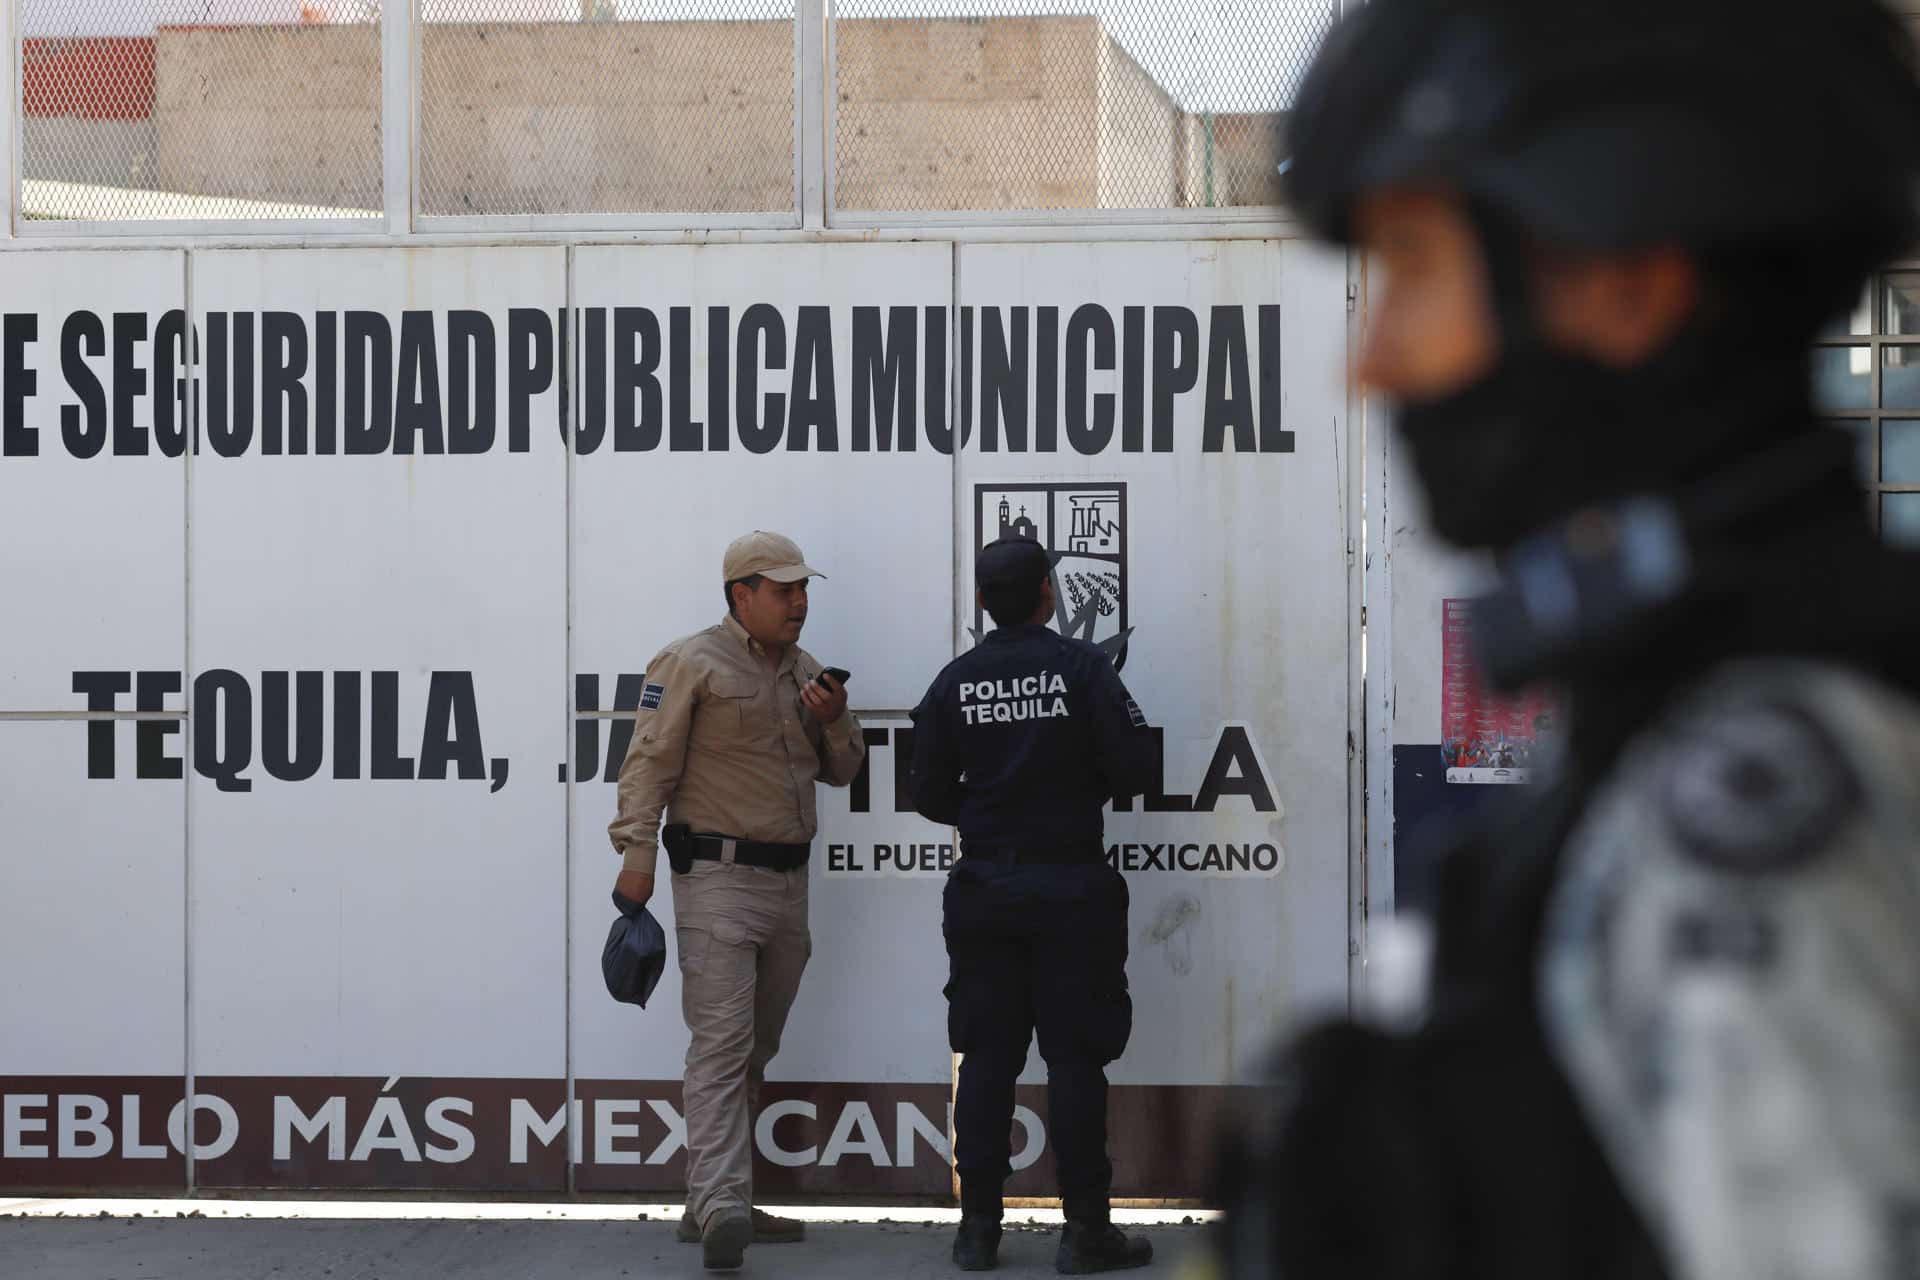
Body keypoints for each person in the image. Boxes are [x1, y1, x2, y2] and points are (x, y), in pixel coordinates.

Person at [1211, 1, 1920, 1278]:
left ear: (1625, 278)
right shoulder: (1699, 699)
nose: (1372, 360)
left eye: (1416, 267)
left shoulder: (1748, 803)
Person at [607, 530, 864, 1273]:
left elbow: (845, 770)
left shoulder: (807, 672)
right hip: (716, 879)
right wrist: (636, 856)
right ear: (739, 595)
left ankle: (717, 1199)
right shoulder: (690, 660)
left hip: (790, 884)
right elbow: (648, 761)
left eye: (804, 589)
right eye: (784, 591)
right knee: (720, 1045)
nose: (800, 602)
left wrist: (836, 717)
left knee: (755, 1046)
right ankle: (720, 1202)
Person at [909, 536, 1159, 1275]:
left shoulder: (955, 680)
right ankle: (1085, 1232)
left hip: (986, 887)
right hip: (1070, 887)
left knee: (986, 1056)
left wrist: (989, 813)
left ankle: (977, 1230)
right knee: (1075, 1060)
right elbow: (1137, 768)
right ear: (1048, 594)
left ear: (984, 601)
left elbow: (925, 794)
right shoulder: (1085, 669)